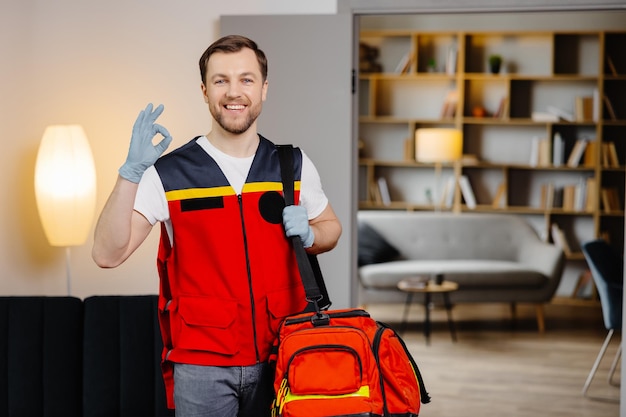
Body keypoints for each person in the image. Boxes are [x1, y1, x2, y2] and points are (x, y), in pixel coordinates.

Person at [92, 35, 342, 417]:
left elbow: (330, 229)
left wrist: (311, 234)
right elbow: (107, 255)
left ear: (263, 89)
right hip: (201, 363)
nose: (234, 91)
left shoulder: (292, 165)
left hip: (284, 353)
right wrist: (130, 174)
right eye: (221, 80)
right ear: (205, 90)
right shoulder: (170, 173)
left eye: (246, 79)